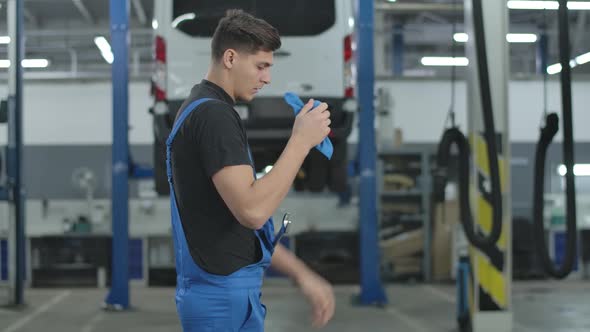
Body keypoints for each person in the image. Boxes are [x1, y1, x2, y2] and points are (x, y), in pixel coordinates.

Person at [166, 9, 335, 331]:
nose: (267, 78)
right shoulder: (214, 116)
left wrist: (301, 274)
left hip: (224, 290)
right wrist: (300, 141)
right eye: (261, 66)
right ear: (230, 58)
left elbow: (241, 224)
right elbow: (253, 211)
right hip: (220, 296)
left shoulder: (203, 108)